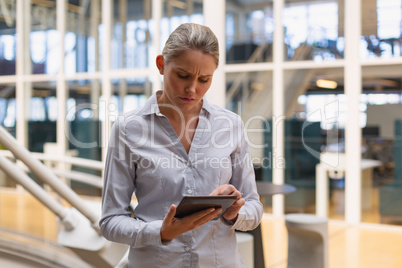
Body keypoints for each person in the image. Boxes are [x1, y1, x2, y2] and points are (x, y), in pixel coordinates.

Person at [99, 23, 263, 267]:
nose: (192, 89)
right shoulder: (128, 129)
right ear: (161, 65)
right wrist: (161, 232)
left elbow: (254, 207)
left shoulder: (231, 125)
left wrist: (235, 213)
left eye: (204, 79)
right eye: (183, 76)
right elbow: (111, 221)